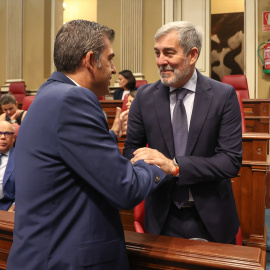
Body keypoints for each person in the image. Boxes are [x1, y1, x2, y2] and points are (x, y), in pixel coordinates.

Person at [6, 20, 173, 270]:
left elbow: (70, 159)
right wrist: (161, 166)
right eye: (110, 58)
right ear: (90, 60)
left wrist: (111, 135)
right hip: (67, 260)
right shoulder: (75, 99)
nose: (115, 69)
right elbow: (125, 189)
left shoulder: (46, 95)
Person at [124, 21, 242, 244]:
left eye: (169, 53)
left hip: (212, 218)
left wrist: (176, 167)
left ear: (192, 55)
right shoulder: (144, 97)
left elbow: (230, 161)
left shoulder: (223, 96)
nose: (161, 61)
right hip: (161, 217)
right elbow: (132, 150)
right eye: (157, 53)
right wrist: (151, 169)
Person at [0, 121, 15, 212]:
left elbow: (25, 190)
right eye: (0, 133)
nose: (2, 137)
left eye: (7, 134)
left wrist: (13, 208)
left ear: (13, 138)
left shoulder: (21, 158)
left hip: (6, 207)